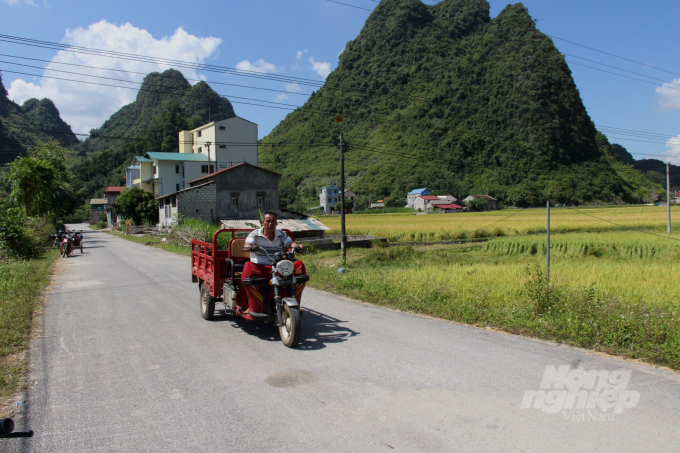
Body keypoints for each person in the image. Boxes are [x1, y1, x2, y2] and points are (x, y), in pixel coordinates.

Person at [241, 211, 306, 314]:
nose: (270, 224)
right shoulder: (255, 234)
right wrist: (248, 246)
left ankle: (295, 304)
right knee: (247, 268)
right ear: (263, 222)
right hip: (260, 266)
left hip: (278, 266)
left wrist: (297, 247)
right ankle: (249, 305)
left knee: (300, 266)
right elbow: (249, 242)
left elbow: (289, 243)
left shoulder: (281, 234)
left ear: (276, 223)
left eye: (273, 221)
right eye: (268, 221)